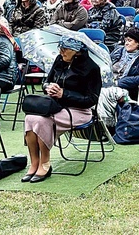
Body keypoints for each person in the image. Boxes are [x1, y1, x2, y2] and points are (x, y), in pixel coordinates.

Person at [23, 35, 101, 183]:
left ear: (76, 50)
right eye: (60, 48)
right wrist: (49, 87)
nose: (61, 51)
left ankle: (45, 164)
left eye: (65, 49)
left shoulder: (92, 68)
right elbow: (46, 82)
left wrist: (64, 93)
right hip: (56, 106)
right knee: (29, 118)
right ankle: (34, 163)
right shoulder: (60, 60)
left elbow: (91, 100)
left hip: (80, 111)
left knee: (41, 120)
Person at [97, 27, 139, 129]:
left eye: (130, 40)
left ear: (138, 43)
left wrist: (121, 82)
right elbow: (106, 65)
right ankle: (98, 124)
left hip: (131, 90)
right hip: (110, 83)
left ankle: (107, 126)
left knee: (105, 93)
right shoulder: (119, 51)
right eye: (125, 40)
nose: (126, 43)